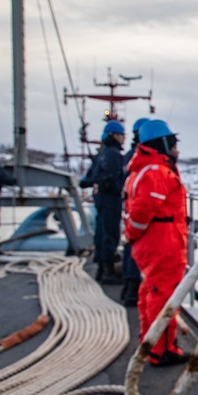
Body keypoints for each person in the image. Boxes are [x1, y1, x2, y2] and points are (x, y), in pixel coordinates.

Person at [123, 119, 190, 367]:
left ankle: (149, 342)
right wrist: (133, 232)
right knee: (162, 296)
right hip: (163, 245)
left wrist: (133, 235)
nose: (177, 150)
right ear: (162, 144)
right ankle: (161, 351)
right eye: (173, 144)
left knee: (150, 294)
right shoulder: (156, 172)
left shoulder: (145, 170)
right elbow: (142, 211)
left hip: (156, 243)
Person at [89, 120, 127, 283]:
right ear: (114, 135)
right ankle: (108, 272)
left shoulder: (101, 154)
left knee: (102, 231)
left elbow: (90, 178)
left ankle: (101, 267)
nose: (124, 139)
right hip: (111, 198)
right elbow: (113, 177)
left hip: (102, 199)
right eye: (122, 135)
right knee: (110, 233)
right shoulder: (114, 155)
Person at [119, 117, 148, 307]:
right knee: (135, 250)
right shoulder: (142, 160)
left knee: (130, 247)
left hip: (129, 210)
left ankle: (128, 288)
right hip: (138, 214)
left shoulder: (129, 156)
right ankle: (132, 291)